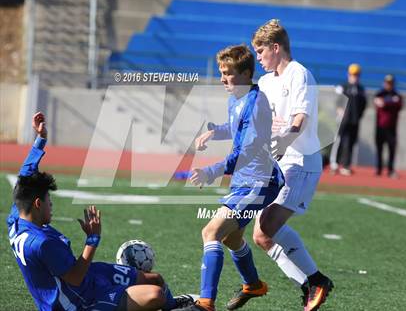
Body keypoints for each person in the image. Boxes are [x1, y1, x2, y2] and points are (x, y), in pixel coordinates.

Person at [7, 112, 195, 311]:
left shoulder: (16, 218)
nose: (51, 205)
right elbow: (75, 278)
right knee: (155, 294)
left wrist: (40, 139)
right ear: (37, 203)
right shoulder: (42, 243)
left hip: (90, 277)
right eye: (48, 201)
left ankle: (172, 305)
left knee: (155, 280)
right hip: (77, 302)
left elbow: (24, 176)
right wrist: (92, 239)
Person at [225, 19, 333, 311]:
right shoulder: (267, 82)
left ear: (276, 47)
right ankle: (311, 284)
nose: (257, 57)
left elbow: (300, 118)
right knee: (261, 235)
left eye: (260, 51)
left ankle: (316, 281)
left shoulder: (300, 74)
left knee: (267, 226)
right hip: (276, 166)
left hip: (299, 161)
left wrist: (285, 141)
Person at [175, 45, 283, 311]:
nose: (223, 78)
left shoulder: (256, 103)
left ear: (247, 73)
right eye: (222, 73)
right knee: (230, 239)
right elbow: (235, 129)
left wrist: (211, 171)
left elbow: (244, 150)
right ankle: (253, 284)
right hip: (246, 181)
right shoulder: (236, 97)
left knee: (210, 231)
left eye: (229, 73)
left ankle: (205, 304)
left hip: (259, 182)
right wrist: (214, 131)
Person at [330, 63, 367, 176]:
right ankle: (334, 163)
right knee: (339, 140)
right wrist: (339, 109)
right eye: (352, 74)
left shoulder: (360, 89)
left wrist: (359, 116)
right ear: (348, 74)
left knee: (351, 142)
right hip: (343, 120)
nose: (354, 77)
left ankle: (346, 165)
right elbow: (337, 101)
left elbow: (363, 104)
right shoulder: (343, 87)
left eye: (356, 75)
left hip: (354, 120)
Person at [374, 74, 403, 178]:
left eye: (390, 83)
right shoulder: (379, 93)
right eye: (387, 83)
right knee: (379, 149)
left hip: (391, 128)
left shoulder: (397, 95)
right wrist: (389, 102)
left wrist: (386, 103)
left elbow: (398, 104)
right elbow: (377, 103)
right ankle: (379, 169)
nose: (388, 85)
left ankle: (390, 170)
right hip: (380, 127)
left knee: (391, 149)